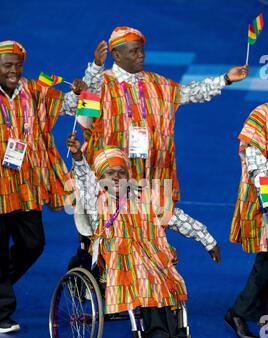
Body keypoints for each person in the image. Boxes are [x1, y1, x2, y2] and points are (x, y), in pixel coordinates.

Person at [0, 40, 86, 333]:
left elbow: (74, 106)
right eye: (7, 65)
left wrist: (84, 83)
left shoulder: (34, 91)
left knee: (34, 243)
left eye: (18, 65)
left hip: (25, 184)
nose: (14, 70)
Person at [67, 134, 221, 338]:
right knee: (146, 277)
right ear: (100, 177)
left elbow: (176, 218)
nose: (117, 177)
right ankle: (157, 337)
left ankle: (176, 337)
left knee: (168, 278)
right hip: (118, 259)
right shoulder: (96, 199)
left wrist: (208, 240)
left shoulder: (145, 196)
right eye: (110, 173)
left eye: (121, 172)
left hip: (151, 254)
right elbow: (84, 180)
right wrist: (78, 157)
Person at [68, 26, 248, 207]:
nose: (141, 55)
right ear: (116, 55)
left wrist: (225, 79)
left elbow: (190, 93)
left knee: (150, 231)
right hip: (112, 178)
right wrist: (92, 76)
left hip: (151, 175)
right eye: (134, 51)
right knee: (109, 229)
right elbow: (85, 116)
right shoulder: (101, 84)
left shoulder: (158, 83)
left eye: (142, 50)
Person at [226, 103, 268, 338]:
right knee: (266, 259)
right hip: (262, 199)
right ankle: (238, 312)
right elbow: (257, 167)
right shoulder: (260, 117)